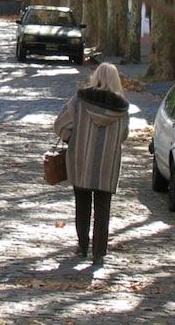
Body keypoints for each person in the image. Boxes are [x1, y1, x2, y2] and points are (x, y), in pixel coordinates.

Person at [53, 62, 130, 265]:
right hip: (107, 163)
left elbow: (61, 124)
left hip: (81, 160)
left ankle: (82, 246)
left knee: (82, 204)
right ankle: (99, 252)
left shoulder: (80, 101)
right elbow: (123, 135)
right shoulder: (122, 108)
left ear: (95, 76)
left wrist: (73, 139)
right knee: (103, 208)